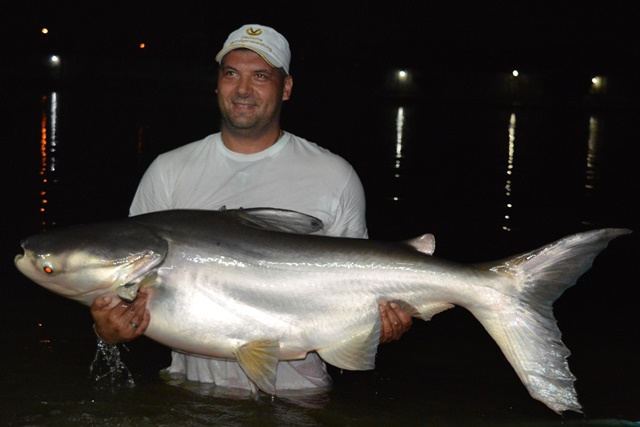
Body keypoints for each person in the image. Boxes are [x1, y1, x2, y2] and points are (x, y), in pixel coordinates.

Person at [91, 24, 412, 394]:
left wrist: (377, 323)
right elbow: (127, 285)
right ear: (217, 84)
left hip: (299, 397)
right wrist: (107, 328)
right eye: (231, 74)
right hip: (192, 392)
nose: (243, 90)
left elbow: (361, 287)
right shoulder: (168, 171)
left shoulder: (334, 176)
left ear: (286, 88)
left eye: (260, 76)